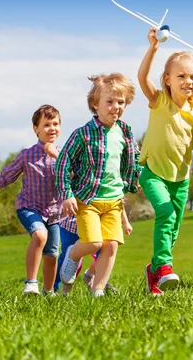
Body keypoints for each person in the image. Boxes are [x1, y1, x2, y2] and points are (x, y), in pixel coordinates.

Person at [138, 28, 193, 296]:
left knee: (173, 227)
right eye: (181, 76)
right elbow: (142, 77)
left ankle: (154, 272)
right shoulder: (159, 101)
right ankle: (164, 266)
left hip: (180, 179)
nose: (188, 81)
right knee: (165, 213)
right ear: (168, 80)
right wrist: (153, 48)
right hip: (152, 172)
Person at [56, 73, 141, 297]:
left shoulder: (125, 132)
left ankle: (98, 290)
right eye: (110, 101)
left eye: (121, 102)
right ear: (96, 105)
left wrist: (144, 175)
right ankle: (73, 254)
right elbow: (62, 163)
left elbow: (134, 161)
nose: (116, 107)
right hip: (89, 200)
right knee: (93, 243)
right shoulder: (83, 134)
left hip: (114, 201)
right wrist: (67, 194)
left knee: (111, 245)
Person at [0, 104, 63, 296]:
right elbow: (5, 176)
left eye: (55, 124)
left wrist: (58, 157)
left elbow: (75, 175)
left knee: (52, 255)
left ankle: (48, 292)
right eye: (46, 124)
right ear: (36, 129)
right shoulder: (27, 155)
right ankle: (31, 283)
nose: (52, 128)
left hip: (54, 212)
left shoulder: (65, 154)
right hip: (29, 207)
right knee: (39, 235)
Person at [54, 211, 133, 296]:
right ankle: (53, 287)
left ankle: (99, 286)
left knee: (102, 254)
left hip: (96, 225)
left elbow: (117, 200)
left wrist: (126, 222)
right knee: (68, 257)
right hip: (72, 224)